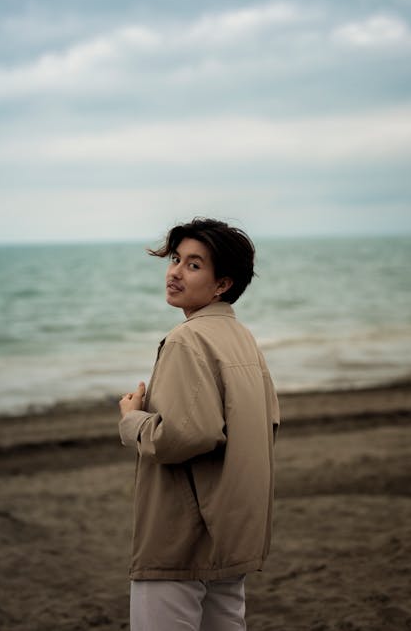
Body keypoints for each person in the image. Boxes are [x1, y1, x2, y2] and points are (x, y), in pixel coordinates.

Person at [119, 217, 279, 631]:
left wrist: (133, 420)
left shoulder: (186, 339)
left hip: (180, 536)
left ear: (222, 283)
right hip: (229, 530)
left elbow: (187, 434)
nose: (174, 272)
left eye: (193, 264)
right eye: (175, 259)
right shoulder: (242, 338)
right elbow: (269, 422)